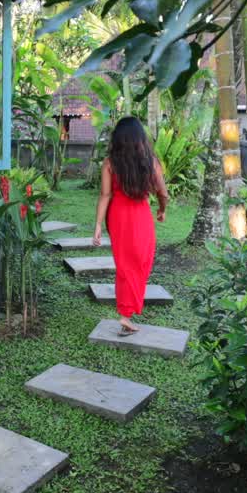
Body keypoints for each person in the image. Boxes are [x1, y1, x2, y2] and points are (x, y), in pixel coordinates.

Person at [92, 116, 169, 335]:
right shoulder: (150, 161)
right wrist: (162, 210)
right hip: (141, 215)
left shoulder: (110, 162)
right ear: (140, 137)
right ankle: (126, 313)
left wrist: (98, 224)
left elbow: (105, 195)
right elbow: (162, 193)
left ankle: (126, 313)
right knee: (142, 260)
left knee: (125, 265)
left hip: (118, 217)